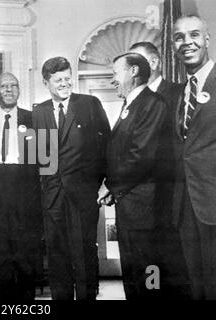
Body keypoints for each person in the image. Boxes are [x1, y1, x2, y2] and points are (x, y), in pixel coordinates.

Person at [32, 56, 110, 300]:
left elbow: (107, 145)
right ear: (46, 82)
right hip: (52, 197)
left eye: (68, 78)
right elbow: (36, 157)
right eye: (58, 80)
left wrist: (105, 184)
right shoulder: (39, 111)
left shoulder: (89, 104)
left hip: (83, 195)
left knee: (85, 253)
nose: (65, 84)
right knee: (57, 256)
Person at [100, 52, 166, 299]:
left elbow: (141, 155)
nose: (112, 80)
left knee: (149, 273)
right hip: (131, 206)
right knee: (132, 271)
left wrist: (111, 185)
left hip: (146, 210)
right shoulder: (132, 105)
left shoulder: (152, 104)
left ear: (134, 72)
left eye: (115, 73)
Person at [129, 42, 190, 298]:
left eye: (138, 63)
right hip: (141, 203)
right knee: (148, 274)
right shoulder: (132, 99)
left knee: (175, 272)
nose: (132, 72)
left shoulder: (179, 93)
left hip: (174, 199)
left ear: (153, 63)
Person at [0, 72, 43, 301]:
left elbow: (44, 163)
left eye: (13, 86)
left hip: (26, 200)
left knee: (26, 263)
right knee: (2, 262)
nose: (8, 90)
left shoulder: (35, 119)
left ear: (19, 90)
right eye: (3, 86)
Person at [171, 15, 216, 299]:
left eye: (194, 35)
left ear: (207, 40)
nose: (187, 42)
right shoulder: (182, 91)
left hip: (213, 201)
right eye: (179, 37)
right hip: (186, 204)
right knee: (197, 284)